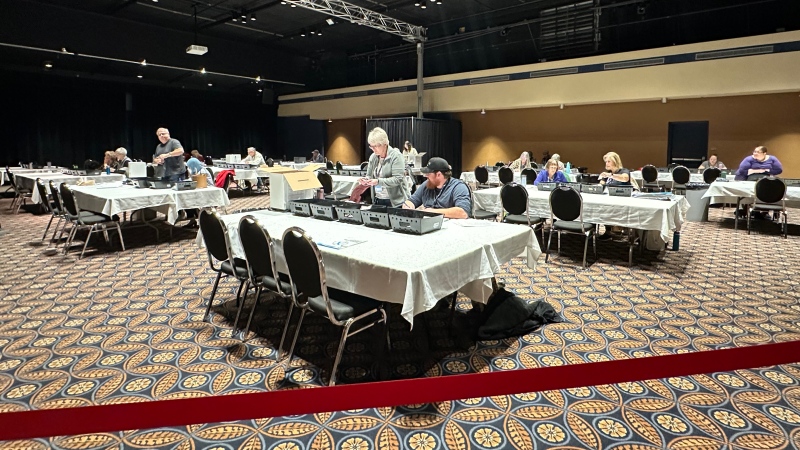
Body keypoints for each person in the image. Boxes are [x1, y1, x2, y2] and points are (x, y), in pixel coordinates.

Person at [403, 157, 471, 219]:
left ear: (438, 174)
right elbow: (411, 201)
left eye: (428, 174)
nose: (426, 176)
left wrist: (432, 212)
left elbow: (463, 213)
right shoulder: (427, 185)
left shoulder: (458, 187)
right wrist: (408, 206)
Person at [360, 127, 410, 207]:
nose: (373, 149)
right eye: (371, 146)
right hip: (378, 198)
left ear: (385, 144)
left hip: (396, 202)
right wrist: (366, 180)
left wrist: (378, 181)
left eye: (376, 146)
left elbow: (397, 179)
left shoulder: (396, 156)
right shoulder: (373, 157)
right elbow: (369, 175)